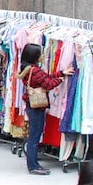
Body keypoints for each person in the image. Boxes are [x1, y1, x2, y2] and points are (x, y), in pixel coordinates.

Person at [20, 42, 73, 176]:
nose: (42, 56)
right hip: (37, 106)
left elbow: (45, 78)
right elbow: (48, 83)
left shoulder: (27, 68)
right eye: (40, 53)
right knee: (34, 137)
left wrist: (61, 73)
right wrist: (61, 79)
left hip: (32, 105)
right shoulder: (35, 70)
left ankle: (33, 163)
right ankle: (33, 166)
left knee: (34, 135)